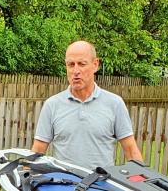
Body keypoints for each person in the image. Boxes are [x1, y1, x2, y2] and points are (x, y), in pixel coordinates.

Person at [32, 40, 144, 169]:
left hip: (101, 181)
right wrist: (24, 176)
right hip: (64, 181)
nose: (76, 71)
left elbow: (131, 151)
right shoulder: (52, 105)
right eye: (71, 64)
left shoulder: (114, 104)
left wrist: (143, 178)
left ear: (95, 65)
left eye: (81, 64)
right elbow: (38, 151)